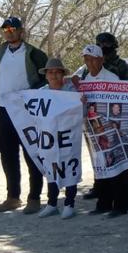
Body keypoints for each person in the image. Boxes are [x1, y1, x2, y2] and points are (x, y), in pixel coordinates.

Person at [0, 16, 48, 214]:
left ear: (21, 31)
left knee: (32, 153)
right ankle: (13, 197)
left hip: (27, 111)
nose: (9, 32)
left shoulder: (34, 54)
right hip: (4, 110)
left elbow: (47, 80)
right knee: (8, 154)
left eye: (13, 29)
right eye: (6, 29)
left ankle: (34, 197)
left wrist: (31, 97)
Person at [73, 44, 128, 218]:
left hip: (113, 129)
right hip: (95, 130)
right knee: (101, 166)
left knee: (117, 166)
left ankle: (121, 205)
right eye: (86, 59)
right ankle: (104, 202)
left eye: (92, 59)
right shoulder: (86, 80)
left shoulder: (111, 78)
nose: (89, 62)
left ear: (101, 59)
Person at [35, 57, 82, 220]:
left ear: (63, 74)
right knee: (51, 168)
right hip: (49, 140)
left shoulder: (71, 92)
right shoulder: (40, 94)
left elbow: (79, 112)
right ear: (46, 75)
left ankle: (69, 204)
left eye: (57, 72)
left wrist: (82, 103)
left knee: (69, 166)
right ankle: (52, 203)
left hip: (67, 138)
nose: (54, 75)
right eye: (50, 72)